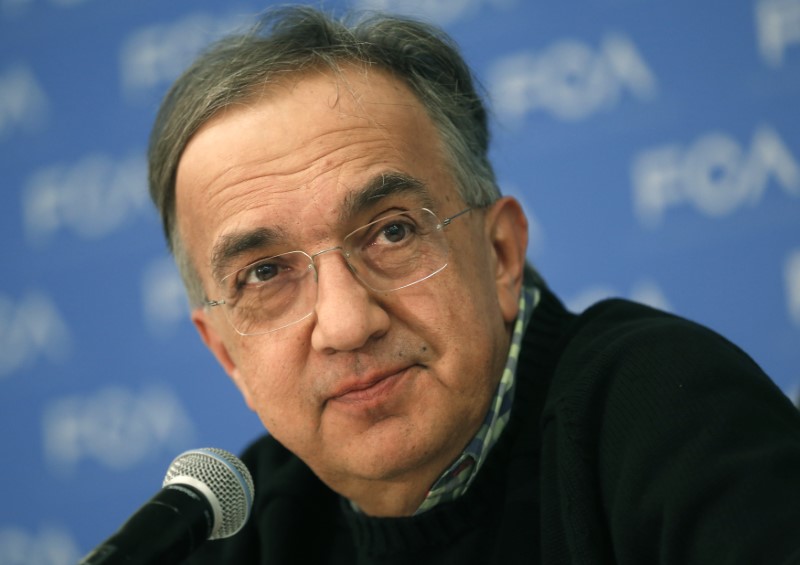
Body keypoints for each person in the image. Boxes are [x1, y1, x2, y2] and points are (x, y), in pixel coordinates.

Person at [147, 5, 800, 564]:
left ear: (500, 255)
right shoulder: (238, 531)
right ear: (226, 352)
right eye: (265, 273)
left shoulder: (666, 410)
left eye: (392, 232)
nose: (347, 323)